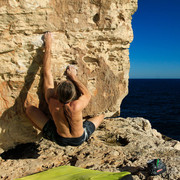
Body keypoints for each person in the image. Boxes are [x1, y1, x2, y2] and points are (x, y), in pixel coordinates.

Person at [25, 32, 104, 146]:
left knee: (29, 109)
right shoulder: (76, 106)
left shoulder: (52, 102)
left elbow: (47, 73)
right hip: (79, 139)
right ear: (73, 96)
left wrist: (48, 46)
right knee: (101, 116)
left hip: (59, 138)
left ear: (57, 93)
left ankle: (48, 131)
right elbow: (87, 94)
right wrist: (73, 77)